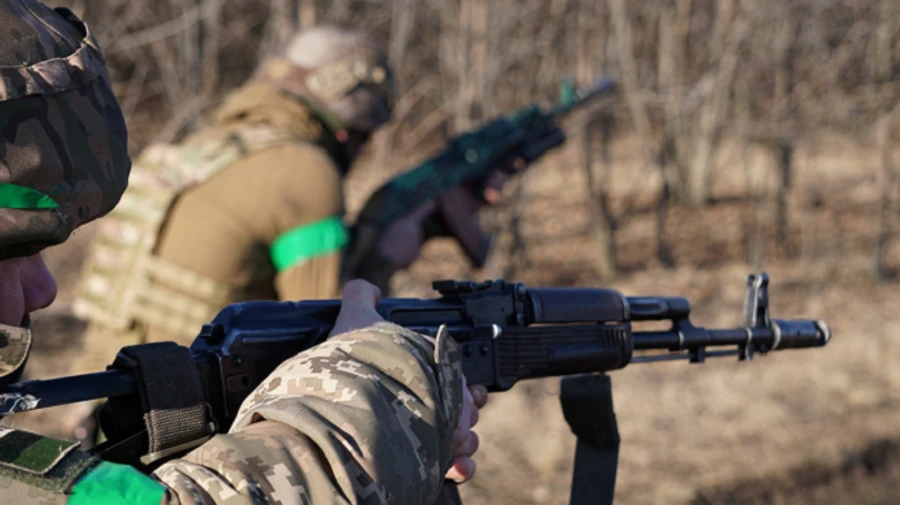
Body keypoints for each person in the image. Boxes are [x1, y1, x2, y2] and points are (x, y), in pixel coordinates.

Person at [0, 1, 485, 503]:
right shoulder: (306, 171)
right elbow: (327, 326)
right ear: (346, 125)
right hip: (196, 423)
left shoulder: (201, 148)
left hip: (114, 403)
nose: (45, 289)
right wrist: (383, 392)